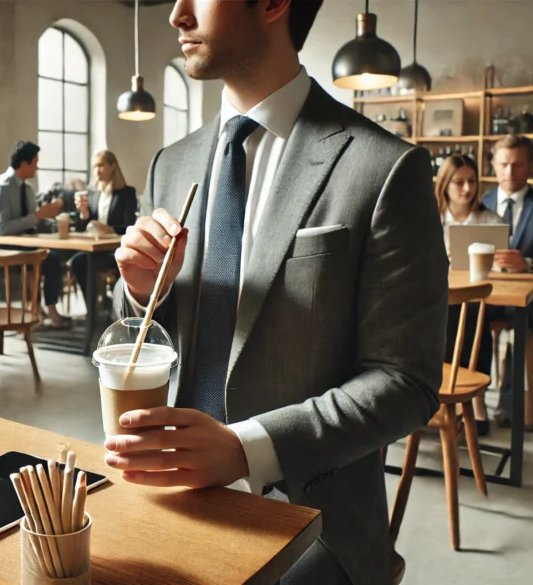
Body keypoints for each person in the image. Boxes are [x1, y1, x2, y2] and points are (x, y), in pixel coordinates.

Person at [108, 1, 448, 584]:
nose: (176, 16)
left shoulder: (385, 168)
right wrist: (143, 292)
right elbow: (148, 331)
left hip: (312, 517)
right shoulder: (174, 162)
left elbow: (406, 383)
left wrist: (247, 448)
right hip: (165, 492)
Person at [481, 134, 533, 429]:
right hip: (488, 295)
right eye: (503, 164)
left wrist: (527, 264)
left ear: (531, 166)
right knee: (462, 319)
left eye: (517, 165)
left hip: (530, 299)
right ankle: (471, 403)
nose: (509, 173)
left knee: (518, 329)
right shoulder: (482, 201)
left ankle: (512, 409)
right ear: (493, 164)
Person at [436, 154, 503, 436]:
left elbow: (500, 272)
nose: (467, 189)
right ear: (444, 186)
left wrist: (502, 261)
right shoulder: (430, 221)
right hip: (439, 299)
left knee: (473, 314)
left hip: (481, 301)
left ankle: (476, 401)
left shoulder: (490, 220)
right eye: (459, 182)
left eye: (472, 181)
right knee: (448, 313)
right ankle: (445, 393)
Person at [0, 140, 68, 328]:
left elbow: (31, 222)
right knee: (42, 258)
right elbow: (2, 229)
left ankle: (44, 309)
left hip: (20, 242)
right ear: (24, 163)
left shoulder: (27, 189)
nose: (37, 167)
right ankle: (37, 309)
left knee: (51, 258)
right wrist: (38, 215)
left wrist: (50, 216)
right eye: (35, 162)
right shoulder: (1, 187)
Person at [70, 150, 138, 297]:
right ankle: (93, 310)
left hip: (116, 249)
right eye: (94, 166)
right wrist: (84, 213)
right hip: (95, 248)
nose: (96, 171)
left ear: (112, 166)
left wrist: (110, 229)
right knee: (78, 261)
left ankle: (107, 306)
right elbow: (82, 227)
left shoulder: (127, 193)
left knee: (90, 262)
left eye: (101, 166)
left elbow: (130, 226)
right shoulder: (94, 194)